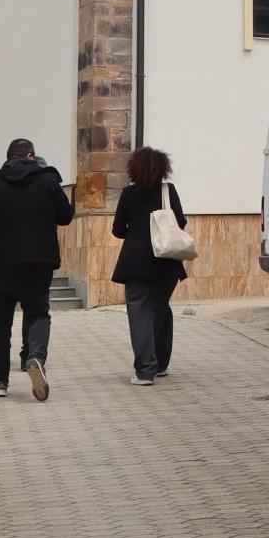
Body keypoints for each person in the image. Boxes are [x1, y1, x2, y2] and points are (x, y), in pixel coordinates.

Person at [0, 137, 73, 401]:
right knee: (39, 314)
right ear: (31, 156)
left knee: (0, 323)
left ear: (8, 158)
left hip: (0, 266)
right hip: (38, 263)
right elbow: (65, 216)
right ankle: (35, 357)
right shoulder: (46, 181)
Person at [109, 146, 189, 386]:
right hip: (167, 263)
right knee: (160, 309)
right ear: (163, 168)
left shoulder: (128, 194)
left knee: (140, 314)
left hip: (136, 263)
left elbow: (117, 230)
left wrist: (136, 233)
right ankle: (161, 364)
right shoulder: (169, 191)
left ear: (134, 169)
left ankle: (145, 370)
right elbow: (181, 222)